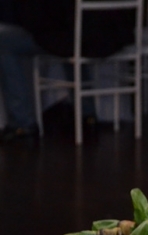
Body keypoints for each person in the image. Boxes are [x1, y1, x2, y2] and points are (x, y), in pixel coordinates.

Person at [0, 1, 134, 143]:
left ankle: (22, 123)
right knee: (67, 35)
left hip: (78, 37)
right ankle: (87, 113)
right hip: (111, 34)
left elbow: (36, 19)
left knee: (5, 43)